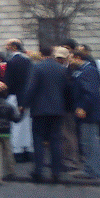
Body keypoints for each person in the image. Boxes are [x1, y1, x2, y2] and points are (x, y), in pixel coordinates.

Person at [22, 45, 69, 184]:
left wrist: (24, 104)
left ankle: (39, 171)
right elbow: (67, 89)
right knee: (55, 141)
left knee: (38, 141)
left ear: (41, 54)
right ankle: (56, 172)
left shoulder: (37, 67)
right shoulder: (61, 69)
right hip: (57, 110)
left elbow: (31, 88)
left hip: (39, 110)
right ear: (53, 53)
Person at [69, 49, 100, 179]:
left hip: (89, 113)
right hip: (89, 112)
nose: (70, 61)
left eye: (71, 58)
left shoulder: (88, 71)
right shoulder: (86, 70)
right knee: (89, 142)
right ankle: (90, 168)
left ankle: (93, 171)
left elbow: (89, 92)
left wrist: (82, 107)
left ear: (78, 57)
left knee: (90, 142)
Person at [4, 39, 33, 162]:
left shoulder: (12, 62)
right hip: (27, 97)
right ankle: (28, 150)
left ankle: (17, 151)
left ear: (14, 47)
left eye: (8, 45)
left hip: (15, 97)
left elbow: (10, 82)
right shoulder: (28, 61)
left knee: (15, 125)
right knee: (27, 126)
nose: (6, 47)